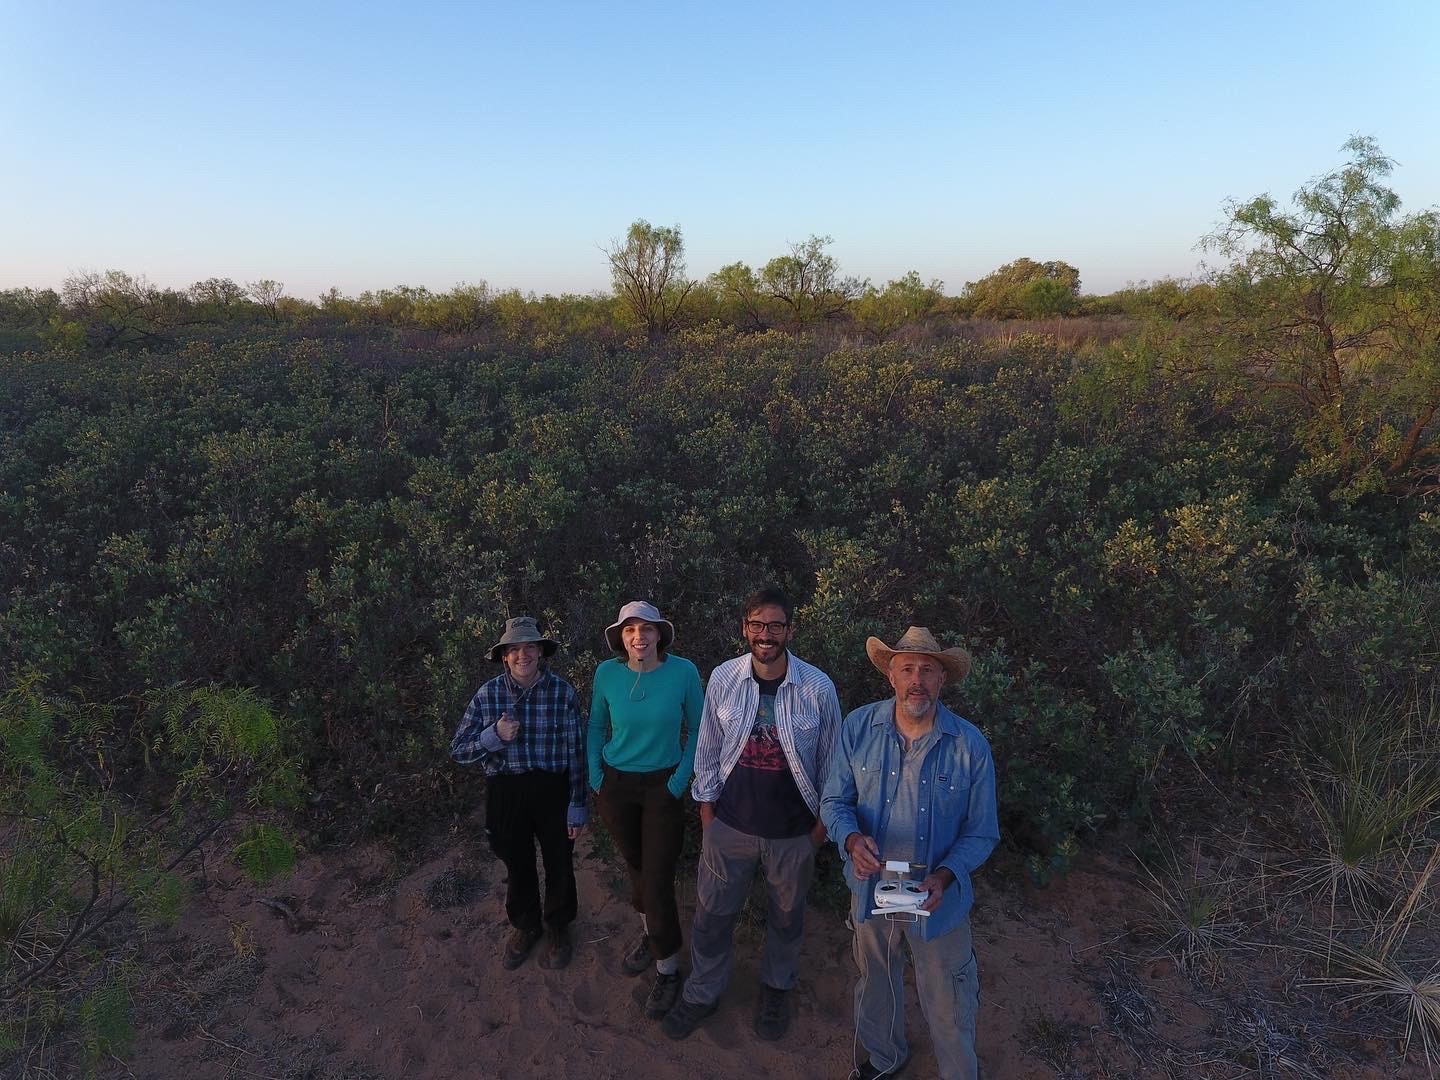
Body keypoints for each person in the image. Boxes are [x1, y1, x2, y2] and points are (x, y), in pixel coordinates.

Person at [662, 587, 842, 1042]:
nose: (766, 635)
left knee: (786, 918)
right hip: (730, 826)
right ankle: (702, 992)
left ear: (790, 631)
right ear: (745, 628)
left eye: (775, 626)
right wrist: (708, 817)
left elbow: (833, 762)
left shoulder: (818, 687)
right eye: (757, 625)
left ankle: (776, 989)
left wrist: (819, 832)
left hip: (793, 833)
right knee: (712, 916)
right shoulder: (723, 677)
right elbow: (706, 748)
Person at [821, 626, 999, 1080]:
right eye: (907, 669)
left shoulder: (969, 745)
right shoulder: (858, 727)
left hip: (937, 902)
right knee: (876, 986)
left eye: (927, 670)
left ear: (942, 680)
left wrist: (945, 875)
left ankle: (960, 1074)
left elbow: (982, 833)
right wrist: (851, 841)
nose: (916, 679)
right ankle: (885, 1060)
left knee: (949, 999)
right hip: (871, 892)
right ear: (891, 677)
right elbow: (834, 802)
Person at [588, 600, 705, 1019]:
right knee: (637, 869)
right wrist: (596, 778)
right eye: (630, 630)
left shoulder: (684, 672)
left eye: (647, 628)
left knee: (656, 880)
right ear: (621, 637)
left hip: (663, 787)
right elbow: (596, 726)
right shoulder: (607, 674)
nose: (639, 637)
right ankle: (652, 934)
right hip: (616, 787)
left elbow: (699, 729)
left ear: (660, 634)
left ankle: (668, 969)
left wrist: (678, 783)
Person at [451, 616, 588, 971]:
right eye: (514, 649)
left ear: (540, 652)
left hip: (552, 788)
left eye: (529, 647)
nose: (522, 655)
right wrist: (492, 735)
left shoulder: (562, 692)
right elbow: (459, 749)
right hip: (506, 789)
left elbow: (576, 751)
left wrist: (577, 802)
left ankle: (558, 926)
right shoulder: (488, 695)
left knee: (559, 859)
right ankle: (526, 925)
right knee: (517, 860)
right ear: (504, 657)